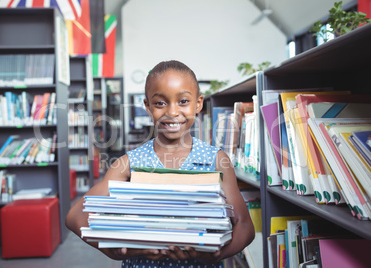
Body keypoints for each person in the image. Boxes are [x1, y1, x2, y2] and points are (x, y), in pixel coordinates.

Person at [65, 60, 255, 267]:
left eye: (183, 101)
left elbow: (245, 226)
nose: (172, 112)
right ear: (147, 106)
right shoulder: (128, 164)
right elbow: (75, 216)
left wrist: (216, 254)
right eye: (160, 103)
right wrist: (114, 251)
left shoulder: (216, 160)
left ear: (198, 104)